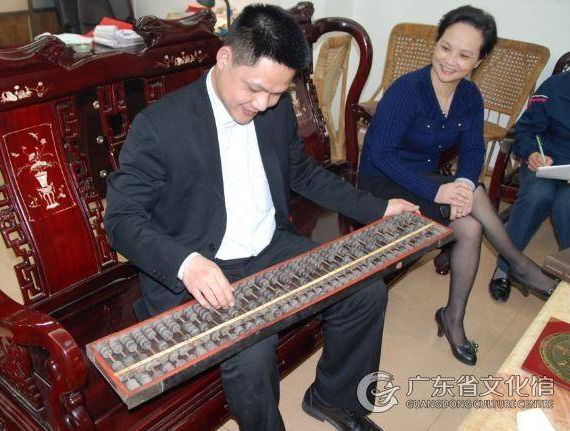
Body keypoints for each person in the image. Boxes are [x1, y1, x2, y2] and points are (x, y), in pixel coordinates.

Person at [104, 4, 417, 431]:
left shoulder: (274, 109)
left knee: (365, 291)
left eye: (276, 93)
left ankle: (334, 399)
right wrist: (186, 264)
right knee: (252, 351)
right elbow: (121, 219)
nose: (262, 104)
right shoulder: (160, 125)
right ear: (224, 58)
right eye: (255, 89)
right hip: (204, 264)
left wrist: (378, 208)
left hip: (270, 246)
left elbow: (303, 173)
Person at [357, 5, 557, 366]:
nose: (450, 60)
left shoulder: (469, 97)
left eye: (464, 55)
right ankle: (519, 266)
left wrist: (462, 182)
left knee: (471, 225)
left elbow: (473, 149)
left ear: (479, 61)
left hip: (427, 180)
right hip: (383, 181)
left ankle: (453, 317)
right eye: (445, 47)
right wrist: (440, 191)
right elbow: (382, 155)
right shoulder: (407, 90)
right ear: (436, 44)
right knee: (474, 200)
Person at [489, 70, 570, 301]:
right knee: (537, 195)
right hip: (543, 164)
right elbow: (525, 130)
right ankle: (505, 268)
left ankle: (567, 275)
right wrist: (532, 153)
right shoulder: (554, 87)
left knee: (566, 204)